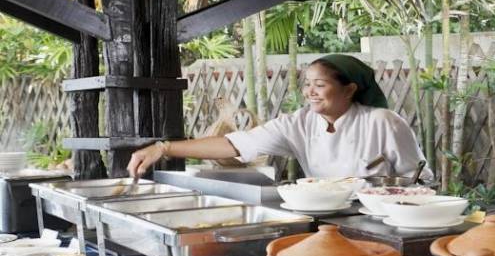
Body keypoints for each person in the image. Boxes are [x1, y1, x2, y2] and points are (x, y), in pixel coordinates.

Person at [128, 54, 432, 181]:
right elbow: (235, 145)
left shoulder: (383, 122)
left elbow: (420, 179)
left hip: (384, 222)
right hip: (325, 221)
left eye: (320, 84)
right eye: (307, 84)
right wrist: (164, 148)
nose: (310, 92)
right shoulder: (297, 123)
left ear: (350, 89)